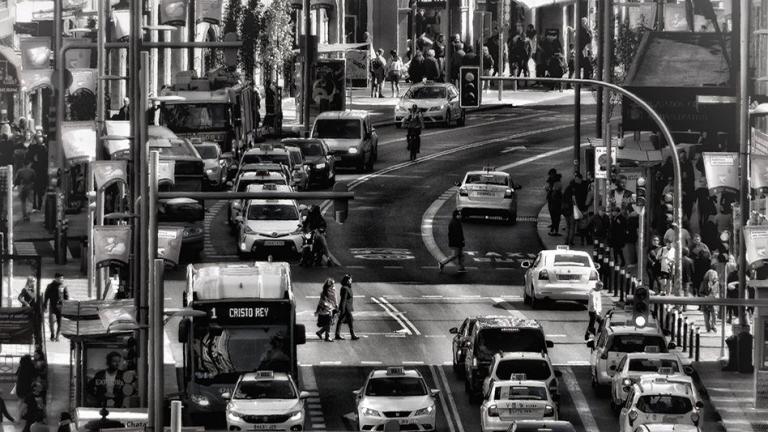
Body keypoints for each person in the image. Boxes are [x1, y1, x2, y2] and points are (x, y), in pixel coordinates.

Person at [43, 273, 69, 341]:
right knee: (51, 321)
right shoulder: (50, 286)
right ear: (56, 278)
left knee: (60, 323)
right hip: (52, 307)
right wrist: (45, 305)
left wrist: (67, 306)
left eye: (62, 278)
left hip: (61, 307)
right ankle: (52, 334)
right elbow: (46, 297)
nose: (62, 279)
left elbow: (67, 297)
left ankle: (57, 336)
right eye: (60, 278)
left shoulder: (64, 286)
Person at [335, 274, 359, 340]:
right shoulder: (345, 289)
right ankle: (352, 335)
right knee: (350, 320)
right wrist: (342, 310)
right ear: (348, 281)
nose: (351, 281)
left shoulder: (347, 288)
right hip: (346, 308)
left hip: (347, 307)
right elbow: (343, 300)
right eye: (350, 280)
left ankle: (337, 334)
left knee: (341, 321)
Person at [545, 169, 563, 236]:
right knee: (555, 216)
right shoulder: (551, 181)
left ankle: (555, 230)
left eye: (551, 174)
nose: (550, 176)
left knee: (556, 216)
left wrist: (550, 189)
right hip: (553, 201)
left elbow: (555, 190)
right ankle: (554, 229)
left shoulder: (557, 182)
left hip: (555, 201)